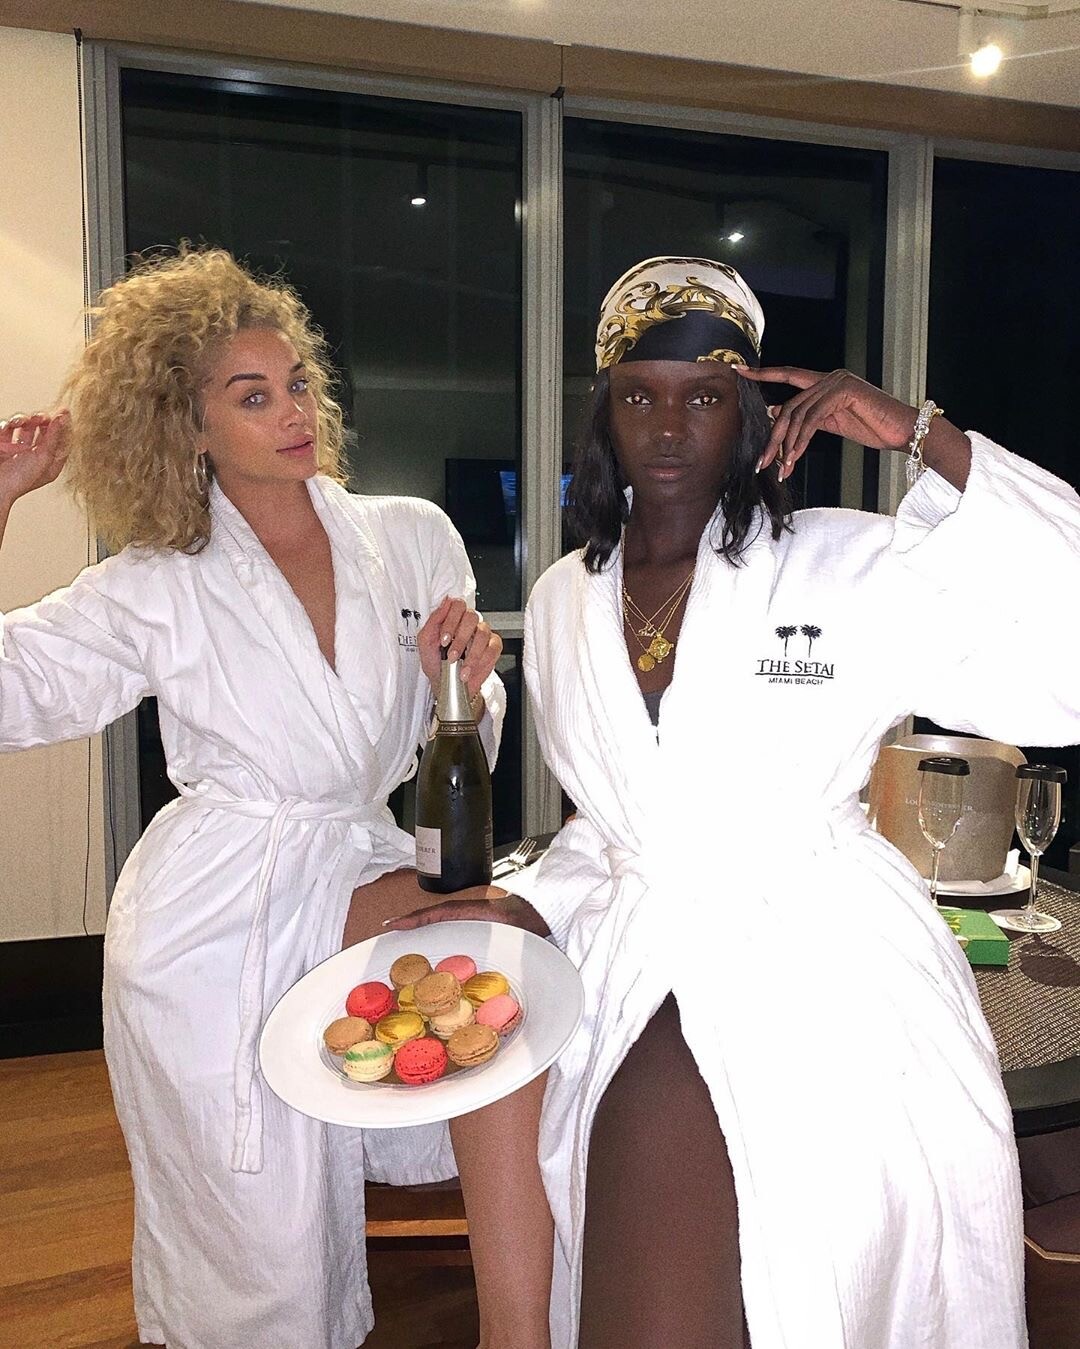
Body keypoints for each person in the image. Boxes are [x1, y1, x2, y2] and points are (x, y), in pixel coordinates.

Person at [393, 256, 1080, 1348]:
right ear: (605, 414)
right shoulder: (564, 597)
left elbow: (1065, 647)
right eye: (640, 396)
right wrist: (531, 899)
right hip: (639, 952)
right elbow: (610, 822)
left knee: (807, 1266)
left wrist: (923, 435)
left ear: (753, 416)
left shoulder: (845, 564)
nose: (670, 427)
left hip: (823, 957)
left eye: (706, 396)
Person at [0, 246, 556, 1349]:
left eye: (296, 381)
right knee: (252, 1241)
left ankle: (519, 1331)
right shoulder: (157, 582)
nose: (293, 411)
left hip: (352, 856)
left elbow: (459, 739)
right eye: (251, 396)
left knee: (504, 953)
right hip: (214, 912)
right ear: (189, 426)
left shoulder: (408, 536)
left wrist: (462, 682)